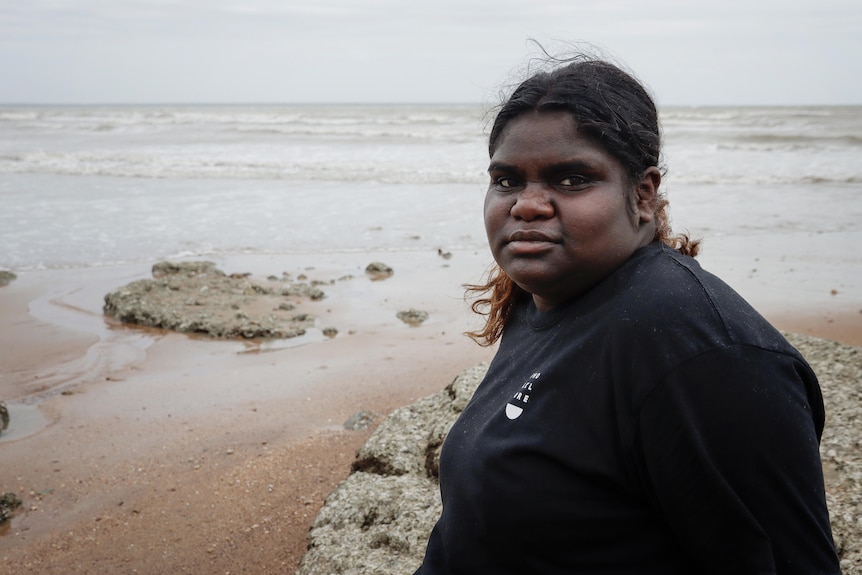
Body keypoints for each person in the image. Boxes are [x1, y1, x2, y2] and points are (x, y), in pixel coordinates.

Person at [413, 56, 840, 574]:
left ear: (643, 194)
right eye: (506, 180)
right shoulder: (545, 299)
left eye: (571, 179)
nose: (527, 205)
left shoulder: (701, 351)